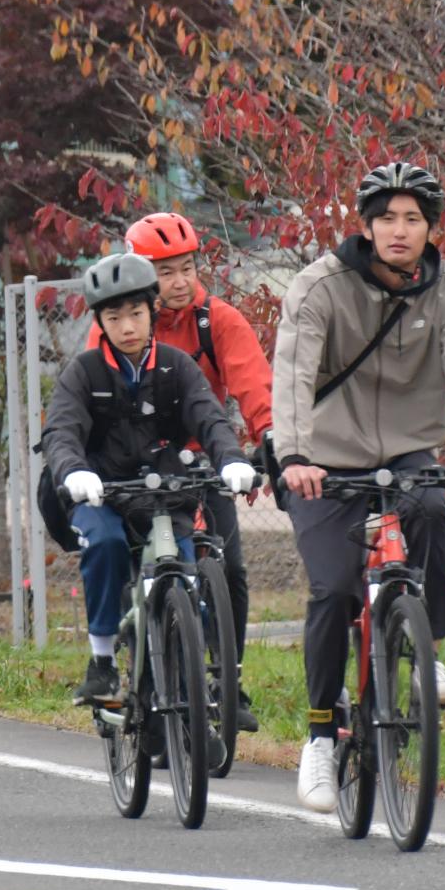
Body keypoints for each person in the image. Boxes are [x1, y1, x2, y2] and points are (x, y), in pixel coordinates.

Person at [271, 161, 445, 814]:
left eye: (414, 219)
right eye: (388, 218)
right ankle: (319, 736)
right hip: (320, 463)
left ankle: (417, 636)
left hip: (404, 456)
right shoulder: (320, 286)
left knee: (428, 508)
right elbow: (290, 374)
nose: (401, 231)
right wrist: (293, 455)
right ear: (366, 226)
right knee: (336, 586)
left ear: (431, 229)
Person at [40, 251, 258, 707]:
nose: (127, 327)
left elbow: (210, 418)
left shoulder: (177, 367)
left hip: (164, 490)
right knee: (106, 546)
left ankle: (194, 698)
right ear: (99, 320)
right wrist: (74, 471)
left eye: (136, 313)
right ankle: (102, 663)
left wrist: (231, 459)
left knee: (185, 575)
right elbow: (61, 431)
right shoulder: (84, 373)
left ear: (153, 313)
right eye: (114, 317)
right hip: (101, 492)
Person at [120, 211, 275, 731]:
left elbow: (252, 382)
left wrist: (269, 435)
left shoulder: (218, 321)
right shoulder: (123, 324)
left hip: (203, 458)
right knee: (130, 567)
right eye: (165, 272)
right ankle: (136, 671)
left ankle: (225, 677)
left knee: (228, 567)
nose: (181, 281)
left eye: (186, 267)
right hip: (137, 463)